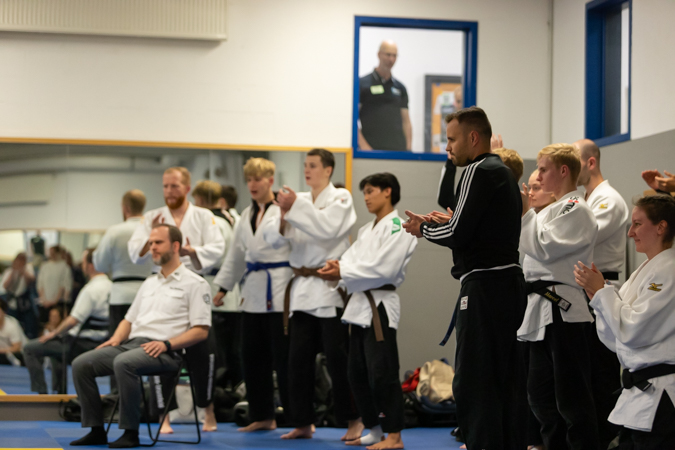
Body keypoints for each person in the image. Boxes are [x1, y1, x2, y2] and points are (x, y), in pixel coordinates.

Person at [402, 107, 527, 449]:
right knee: (505, 379)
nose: (448, 147)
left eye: (452, 140)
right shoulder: (501, 173)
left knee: (474, 379)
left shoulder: (478, 169)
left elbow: (458, 232)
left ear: (473, 138)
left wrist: (423, 229)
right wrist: (446, 224)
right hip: (507, 285)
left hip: (485, 287)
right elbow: (475, 230)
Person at [70, 224, 212, 448]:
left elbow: (201, 331)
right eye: (151, 242)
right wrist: (115, 339)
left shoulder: (196, 284)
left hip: (168, 351)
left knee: (124, 362)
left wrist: (167, 344)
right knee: (82, 364)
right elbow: (128, 320)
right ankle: (96, 430)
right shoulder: (149, 283)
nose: (152, 247)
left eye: (158, 243)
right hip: (133, 345)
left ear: (175, 246)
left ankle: (130, 432)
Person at [263, 148, 361, 440]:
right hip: (302, 290)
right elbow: (272, 237)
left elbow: (328, 229)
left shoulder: (341, 198)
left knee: (338, 358)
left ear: (328, 170)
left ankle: (353, 420)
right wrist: (284, 216)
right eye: (306, 165)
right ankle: (303, 422)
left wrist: (294, 210)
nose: (307, 170)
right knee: (298, 360)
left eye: (314, 165)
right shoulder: (299, 200)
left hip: (329, 287)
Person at [318, 173, 416, 450]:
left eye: (371, 191)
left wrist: (344, 270)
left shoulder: (399, 226)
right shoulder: (365, 230)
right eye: (364, 192)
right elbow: (350, 262)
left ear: (388, 192)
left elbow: (384, 268)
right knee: (357, 373)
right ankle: (374, 429)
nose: (366, 197)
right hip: (359, 306)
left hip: (380, 306)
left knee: (382, 372)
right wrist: (336, 270)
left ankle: (394, 435)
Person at [574, 194, 675, 449]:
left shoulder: (669, 269)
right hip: (639, 393)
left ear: (661, 227)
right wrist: (600, 299)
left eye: (638, 224)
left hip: (661, 396)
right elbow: (615, 339)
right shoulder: (644, 271)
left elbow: (633, 329)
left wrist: (603, 293)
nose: (630, 233)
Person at [517, 144, 600, 450]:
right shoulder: (550, 210)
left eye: (543, 169)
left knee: (571, 397)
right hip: (541, 308)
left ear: (563, 171)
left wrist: (525, 213)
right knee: (540, 395)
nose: (537, 176)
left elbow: (543, 247)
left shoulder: (575, 206)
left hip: (562, 309)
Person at [213, 157, 293, 432]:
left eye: (257, 179)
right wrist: (223, 287)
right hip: (253, 293)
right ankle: (262, 416)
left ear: (270, 180)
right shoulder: (245, 215)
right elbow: (236, 255)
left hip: (280, 291)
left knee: (284, 359)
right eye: (249, 179)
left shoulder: (284, 210)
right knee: (252, 356)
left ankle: (298, 419)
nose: (252, 184)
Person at [575, 138, 630, 447]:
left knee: (601, 371)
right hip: (582, 289)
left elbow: (582, 238)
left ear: (591, 162)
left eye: (575, 161)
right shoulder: (583, 199)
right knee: (584, 372)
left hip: (603, 287)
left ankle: (608, 437)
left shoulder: (609, 199)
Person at [24, 248, 112, 394]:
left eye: (83, 262)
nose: (82, 266)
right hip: (101, 339)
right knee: (56, 350)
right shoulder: (112, 286)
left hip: (80, 344)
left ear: (90, 266)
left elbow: (72, 321)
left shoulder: (90, 290)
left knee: (29, 349)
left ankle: (42, 393)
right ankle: (60, 393)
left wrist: (54, 334)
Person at [192, 180, 243, 389]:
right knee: (230, 350)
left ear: (201, 199)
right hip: (227, 292)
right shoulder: (230, 219)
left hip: (215, 291)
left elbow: (211, 258)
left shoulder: (212, 222)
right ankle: (232, 390)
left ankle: (222, 392)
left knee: (219, 351)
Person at [128, 166, 225, 275]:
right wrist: (153, 235)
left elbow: (217, 247)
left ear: (187, 189)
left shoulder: (204, 215)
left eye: (174, 186)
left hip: (193, 276)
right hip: (161, 277)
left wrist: (192, 252)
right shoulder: (151, 217)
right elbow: (135, 253)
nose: (169, 191)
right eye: (165, 186)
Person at [94, 190, 154, 347]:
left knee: (117, 344)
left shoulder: (115, 231)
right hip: (147, 293)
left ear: (125, 207)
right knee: (143, 343)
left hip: (120, 295)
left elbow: (99, 265)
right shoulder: (152, 231)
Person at [358, 40, 411, 151]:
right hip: (371, 149)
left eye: (394, 56)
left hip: (398, 150)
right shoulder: (362, 84)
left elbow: (406, 121)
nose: (391, 59)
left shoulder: (400, 87)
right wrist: (364, 147)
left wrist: (408, 149)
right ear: (379, 54)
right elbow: (353, 120)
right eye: (388, 55)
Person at [1, 252, 38, 339]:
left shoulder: (28, 269)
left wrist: (23, 271)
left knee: (29, 322)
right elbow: (5, 286)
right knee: (13, 321)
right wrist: (14, 271)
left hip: (24, 302)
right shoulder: (9, 271)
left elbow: (31, 280)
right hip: (12, 302)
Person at [36, 245, 72, 324]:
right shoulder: (44, 266)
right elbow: (40, 284)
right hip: (45, 302)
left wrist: (55, 301)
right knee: (44, 324)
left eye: (54, 253)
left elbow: (65, 286)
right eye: (51, 253)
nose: (52, 255)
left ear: (59, 253)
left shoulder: (64, 267)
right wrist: (43, 299)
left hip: (58, 303)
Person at [0, 299, 27, 366]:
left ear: (4, 312)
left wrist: (1, 351)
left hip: (21, 354)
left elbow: (17, 348)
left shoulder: (12, 325)